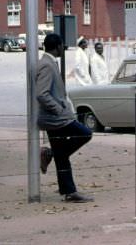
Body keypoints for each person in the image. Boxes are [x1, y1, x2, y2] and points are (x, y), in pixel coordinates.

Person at [36, 33, 93, 203]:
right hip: (55, 119)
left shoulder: (49, 63)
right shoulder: (46, 65)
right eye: (63, 45)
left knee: (62, 157)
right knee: (85, 133)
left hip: (54, 118)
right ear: (58, 46)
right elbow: (42, 93)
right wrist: (58, 109)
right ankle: (51, 153)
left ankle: (69, 191)